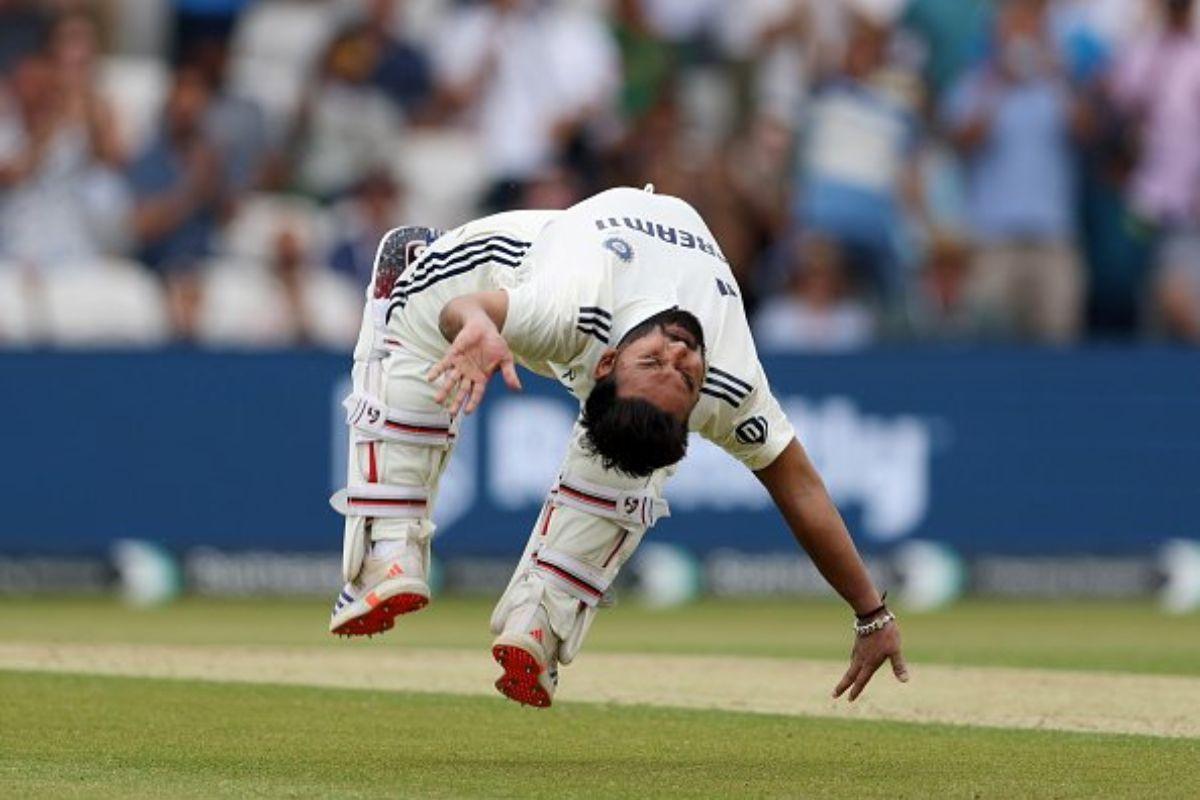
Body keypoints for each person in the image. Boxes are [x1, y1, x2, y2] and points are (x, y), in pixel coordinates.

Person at [328, 186, 907, 708]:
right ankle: (391, 546)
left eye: (684, 374)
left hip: (598, 267)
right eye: (660, 362)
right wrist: (475, 323)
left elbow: (800, 488)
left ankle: (537, 624)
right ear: (603, 364)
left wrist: (871, 614)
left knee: (638, 454)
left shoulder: (720, 390)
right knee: (410, 277)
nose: (680, 353)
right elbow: (467, 309)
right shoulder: (572, 307)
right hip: (495, 272)